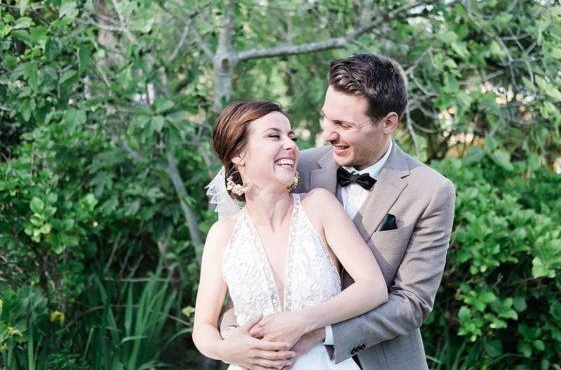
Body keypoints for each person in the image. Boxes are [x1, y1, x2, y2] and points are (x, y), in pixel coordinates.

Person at [219, 54, 456, 370]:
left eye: (343, 125)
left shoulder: (430, 191)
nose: (328, 135)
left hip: (381, 361)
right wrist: (232, 338)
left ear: (388, 123)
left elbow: (411, 303)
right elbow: (248, 265)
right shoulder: (295, 166)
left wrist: (319, 331)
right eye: (326, 119)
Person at [192, 100, 388, 370]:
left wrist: (304, 321)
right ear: (239, 154)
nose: (291, 145)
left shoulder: (319, 207)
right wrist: (228, 350)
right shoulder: (222, 234)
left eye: (291, 137)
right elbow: (202, 327)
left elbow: (373, 287)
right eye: (274, 136)